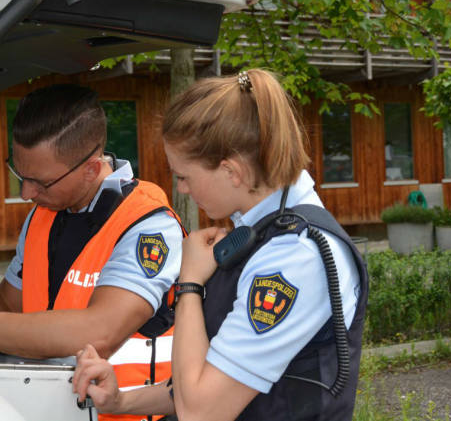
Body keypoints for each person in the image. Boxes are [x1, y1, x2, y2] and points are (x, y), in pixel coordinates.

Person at [72, 69, 369, 421]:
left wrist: (190, 285)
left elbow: (201, 411)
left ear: (232, 172)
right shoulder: (262, 234)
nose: (181, 189)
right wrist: (121, 401)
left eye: (184, 176)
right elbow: (209, 377)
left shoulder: (294, 258)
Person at [0, 84, 184, 409]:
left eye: (40, 182)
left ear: (91, 169)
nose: (26, 193)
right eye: (19, 174)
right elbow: (8, 301)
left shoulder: (147, 225)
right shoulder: (44, 214)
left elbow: (100, 332)